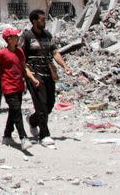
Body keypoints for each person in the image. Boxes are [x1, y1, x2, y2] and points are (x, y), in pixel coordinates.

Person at [21, 9, 73, 146]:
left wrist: (64, 66)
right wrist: (28, 74)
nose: (45, 22)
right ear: (34, 21)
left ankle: (32, 120)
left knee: (49, 104)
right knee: (41, 105)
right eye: (42, 20)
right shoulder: (27, 36)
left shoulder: (47, 35)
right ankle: (44, 135)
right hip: (34, 73)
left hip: (47, 72)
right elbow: (21, 58)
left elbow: (54, 52)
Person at [0, 28, 36, 150]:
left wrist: (32, 79)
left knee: (14, 111)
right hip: (8, 87)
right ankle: (23, 138)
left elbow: (24, 68)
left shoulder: (20, 52)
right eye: (15, 37)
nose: (18, 38)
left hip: (19, 86)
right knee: (17, 111)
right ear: (9, 39)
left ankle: (7, 136)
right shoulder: (2, 54)